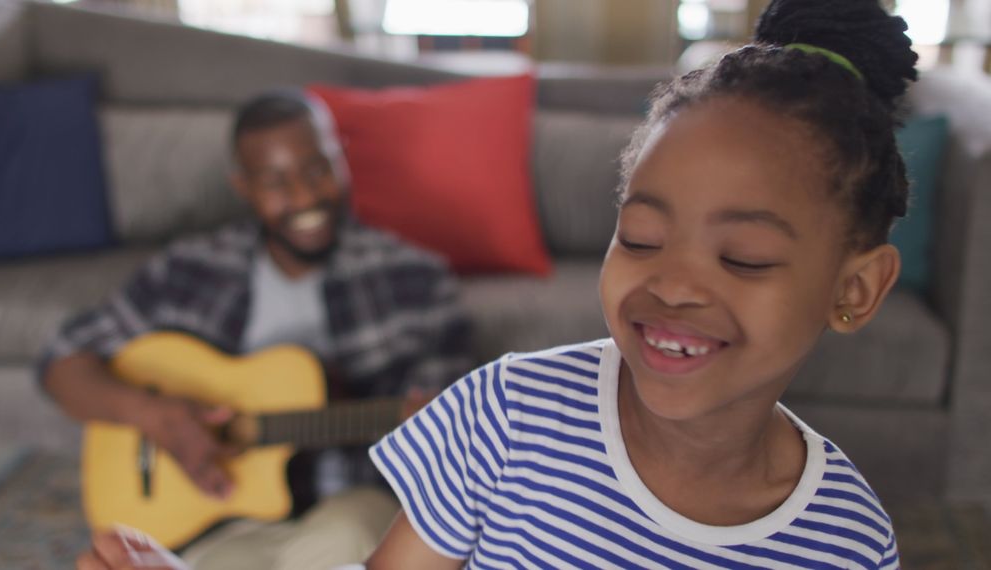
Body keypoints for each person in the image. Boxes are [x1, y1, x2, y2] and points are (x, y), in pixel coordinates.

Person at [365, 0, 914, 567]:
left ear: (855, 289)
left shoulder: (849, 542)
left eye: (744, 258)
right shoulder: (504, 417)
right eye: (641, 238)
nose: (674, 286)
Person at [46, 90, 472, 570]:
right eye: (276, 182)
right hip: (220, 523)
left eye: (318, 170)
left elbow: (451, 447)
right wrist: (155, 415)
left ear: (342, 160)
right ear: (243, 186)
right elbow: (63, 361)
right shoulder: (189, 270)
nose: (306, 197)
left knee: (344, 540)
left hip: (350, 507)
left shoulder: (416, 280)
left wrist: (430, 431)